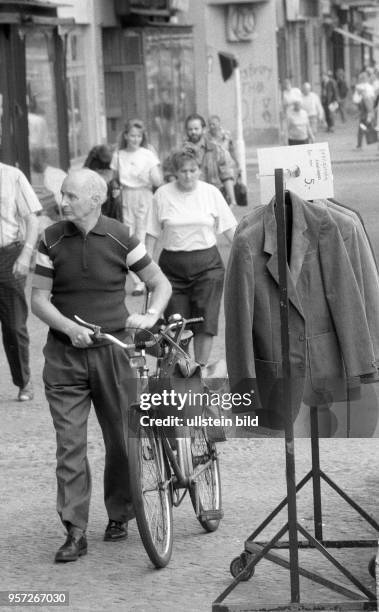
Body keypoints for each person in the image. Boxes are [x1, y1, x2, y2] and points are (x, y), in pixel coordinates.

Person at [31, 168, 172, 563]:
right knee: (69, 445)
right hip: (64, 356)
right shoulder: (51, 238)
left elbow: (160, 284)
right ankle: (75, 530)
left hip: (114, 349)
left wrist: (151, 315)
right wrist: (66, 327)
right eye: (63, 194)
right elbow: (39, 299)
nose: (64, 202)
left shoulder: (121, 236)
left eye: (72, 195)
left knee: (123, 441)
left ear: (95, 199)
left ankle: (121, 512)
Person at [145, 150, 237, 369]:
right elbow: (151, 236)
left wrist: (249, 256)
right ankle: (182, 371)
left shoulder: (211, 192)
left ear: (200, 170)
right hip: (172, 268)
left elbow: (232, 231)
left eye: (193, 170)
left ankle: (202, 370)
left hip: (208, 266)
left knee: (206, 322)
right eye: (183, 171)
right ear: (174, 173)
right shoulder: (162, 194)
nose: (188, 176)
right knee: (176, 323)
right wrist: (145, 273)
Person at [0, 162, 42, 401]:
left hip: (7, 255)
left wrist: (26, 254)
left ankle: (24, 381)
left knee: (14, 326)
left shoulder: (13, 175)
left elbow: (32, 219)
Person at [111, 119, 163, 296]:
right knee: (129, 237)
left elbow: (158, 181)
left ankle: (147, 278)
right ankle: (137, 280)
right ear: (125, 136)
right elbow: (114, 179)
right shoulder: (118, 155)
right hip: (126, 196)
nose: (135, 139)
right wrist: (115, 189)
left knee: (144, 236)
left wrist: (151, 173)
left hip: (145, 195)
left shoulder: (147, 154)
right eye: (132, 135)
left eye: (139, 136)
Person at [164, 113, 237, 207]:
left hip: (210, 201)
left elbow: (226, 175)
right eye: (190, 129)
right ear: (186, 131)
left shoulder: (216, 150)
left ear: (203, 129)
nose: (193, 132)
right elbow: (169, 173)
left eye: (196, 129)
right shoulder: (178, 152)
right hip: (186, 201)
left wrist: (232, 199)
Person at [84, 145, 122, 222]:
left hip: (108, 179)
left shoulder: (115, 156)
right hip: (96, 178)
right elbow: (86, 169)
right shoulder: (94, 154)